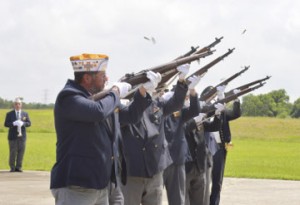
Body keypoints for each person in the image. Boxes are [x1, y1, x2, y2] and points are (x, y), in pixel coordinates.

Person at [50, 53, 160, 205]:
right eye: (103, 75)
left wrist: (143, 92)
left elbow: (130, 116)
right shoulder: (68, 97)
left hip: (105, 183)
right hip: (78, 185)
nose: (107, 79)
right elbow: (97, 111)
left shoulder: (103, 99)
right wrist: (115, 91)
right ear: (87, 78)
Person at [120, 64, 190, 205]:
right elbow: (131, 116)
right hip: (132, 171)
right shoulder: (123, 107)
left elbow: (176, 103)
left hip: (154, 168)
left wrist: (181, 81)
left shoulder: (156, 104)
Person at [163, 75, 202, 205]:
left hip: (177, 160)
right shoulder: (159, 109)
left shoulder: (180, 112)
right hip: (160, 161)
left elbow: (195, 110)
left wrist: (192, 91)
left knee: (178, 200)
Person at [209, 86, 241, 205]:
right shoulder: (203, 110)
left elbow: (235, 113)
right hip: (205, 149)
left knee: (217, 181)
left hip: (219, 148)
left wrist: (236, 100)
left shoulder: (223, 112)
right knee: (203, 181)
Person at [4, 97, 31, 172]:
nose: (17, 105)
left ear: (21, 105)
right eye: (16, 104)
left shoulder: (25, 114)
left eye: (19, 104)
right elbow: (6, 124)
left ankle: (18, 167)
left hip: (22, 137)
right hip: (12, 137)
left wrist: (23, 123)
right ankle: (12, 167)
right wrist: (13, 123)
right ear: (14, 105)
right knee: (13, 152)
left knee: (21, 152)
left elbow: (29, 123)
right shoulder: (9, 114)